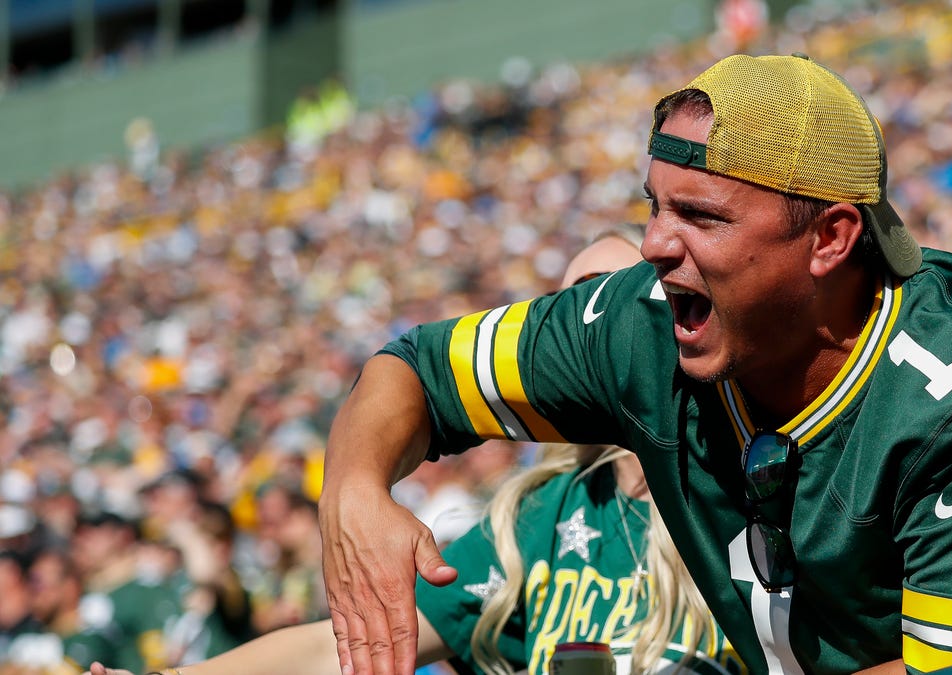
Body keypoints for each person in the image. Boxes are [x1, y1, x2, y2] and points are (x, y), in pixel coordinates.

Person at [318, 54, 952, 675]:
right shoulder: (645, 322)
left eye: (702, 215)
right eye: (653, 207)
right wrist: (355, 490)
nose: (655, 245)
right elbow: (414, 371)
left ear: (832, 238)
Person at [81, 227, 745, 675]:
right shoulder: (541, 516)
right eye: (564, 307)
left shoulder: (743, 487)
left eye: (610, 297)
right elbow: (341, 647)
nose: (583, 327)